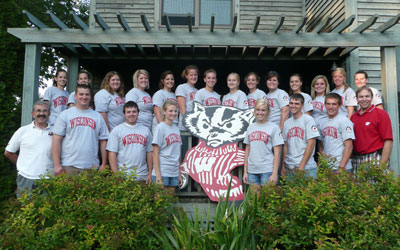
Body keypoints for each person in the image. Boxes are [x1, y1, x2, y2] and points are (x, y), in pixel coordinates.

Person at [52, 84, 109, 176]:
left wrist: (104, 163)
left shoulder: (97, 117)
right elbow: (56, 140)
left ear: (91, 96)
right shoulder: (65, 115)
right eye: (81, 94)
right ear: (75, 96)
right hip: (69, 165)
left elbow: (103, 141)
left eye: (87, 94)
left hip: (91, 166)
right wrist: (57, 164)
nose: (84, 97)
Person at [4, 101, 53, 197]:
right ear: (33, 114)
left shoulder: (56, 131)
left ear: (49, 114)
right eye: (38, 111)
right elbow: (8, 152)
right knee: (25, 209)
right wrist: (22, 166)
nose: (41, 114)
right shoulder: (23, 131)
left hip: (48, 178)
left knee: (47, 210)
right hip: (26, 178)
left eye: (44, 111)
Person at [243, 99, 283, 195]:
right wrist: (245, 171)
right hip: (252, 170)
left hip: (267, 170)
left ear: (268, 112)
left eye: (263, 110)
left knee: (268, 201)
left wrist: (274, 173)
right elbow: (247, 150)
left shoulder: (274, 127)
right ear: (254, 111)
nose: (260, 113)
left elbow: (277, 152)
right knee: (255, 202)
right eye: (258, 110)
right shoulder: (250, 127)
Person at [351, 86, 393, 176]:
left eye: (367, 96)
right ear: (357, 99)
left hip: (374, 158)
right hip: (356, 159)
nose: (364, 99)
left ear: (372, 98)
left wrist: (382, 166)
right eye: (361, 97)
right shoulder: (354, 117)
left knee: (375, 189)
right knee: (359, 189)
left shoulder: (381, 114)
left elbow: (388, 141)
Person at [106, 101, 153, 183]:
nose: (131, 114)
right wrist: (116, 174)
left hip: (142, 176)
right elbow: (112, 153)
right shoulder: (117, 130)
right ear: (124, 114)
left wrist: (150, 172)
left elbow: (149, 152)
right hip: (123, 176)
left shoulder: (146, 130)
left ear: (138, 113)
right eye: (128, 112)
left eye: (134, 111)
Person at [282, 94, 320, 178]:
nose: (293, 106)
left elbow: (311, 144)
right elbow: (285, 145)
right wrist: (283, 165)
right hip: (290, 167)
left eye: (296, 103)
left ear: (302, 105)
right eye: (291, 103)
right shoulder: (287, 123)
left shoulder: (308, 120)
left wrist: (301, 166)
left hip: (306, 168)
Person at [319, 93, 354, 172]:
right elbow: (322, 146)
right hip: (327, 167)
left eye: (334, 104)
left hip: (342, 167)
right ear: (325, 105)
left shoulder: (344, 121)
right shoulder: (322, 122)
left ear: (339, 105)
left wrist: (341, 167)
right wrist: (321, 164)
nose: (331, 107)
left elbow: (349, 146)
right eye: (328, 104)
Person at [152, 100, 182, 194]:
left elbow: (177, 153)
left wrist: (179, 174)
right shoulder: (160, 127)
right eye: (170, 111)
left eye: (175, 111)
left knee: (169, 203)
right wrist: (158, 176)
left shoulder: (176, 129)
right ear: (164, 112)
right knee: (160, 203)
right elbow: (155, 152)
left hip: (173, 171)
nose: (173, 113)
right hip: (163, 170)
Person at [176, 65, 199, 132]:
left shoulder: (198, 91)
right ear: (186, 76)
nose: (194, 77)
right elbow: (182, 108)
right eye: (191, 75)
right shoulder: (182, 87)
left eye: (195, 75)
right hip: (184, 127)